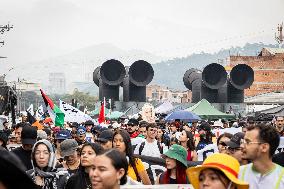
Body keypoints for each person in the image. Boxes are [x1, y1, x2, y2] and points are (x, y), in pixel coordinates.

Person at [239, 123, 284, 188]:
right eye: (242, 142)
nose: (241, 146)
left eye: (248, 142)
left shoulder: (282, 178)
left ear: (264, 147)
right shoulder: (239, 173)